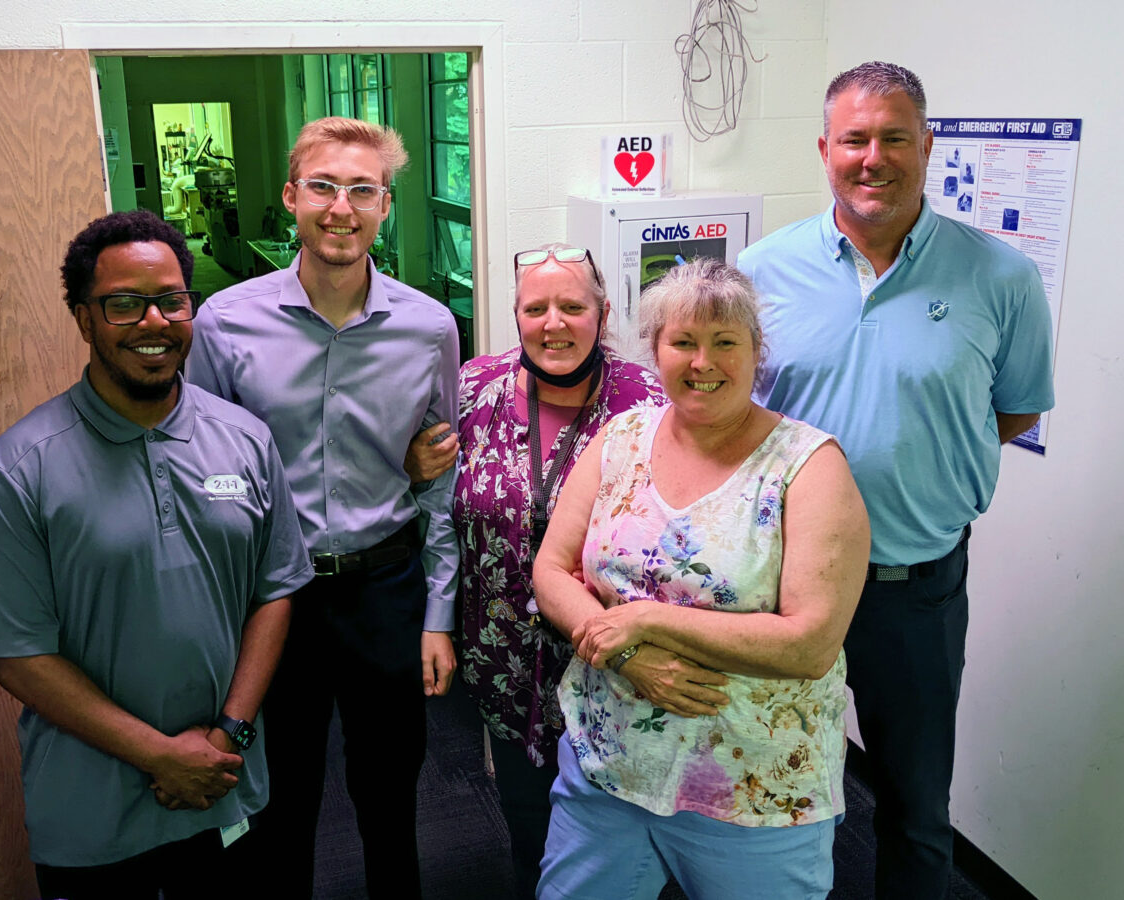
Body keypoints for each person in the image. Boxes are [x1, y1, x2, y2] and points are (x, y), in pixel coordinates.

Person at [736, 62, 1055, 899]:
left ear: (928, 146)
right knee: (764, 786)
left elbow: (1013, 411)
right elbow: (730, 412)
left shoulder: (1001, 277)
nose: (872, 157)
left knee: (915, 807)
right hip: (777, 585)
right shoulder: (761, 271)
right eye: (854, 139)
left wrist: (922, 453)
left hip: (913, 590)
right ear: (825, 149)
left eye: (894, 138)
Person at [0, 210, 314, 900]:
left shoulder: (244, 439)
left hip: (224, 785)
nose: (154, 322)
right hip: (95, 816)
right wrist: (161, 756)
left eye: (172, 300)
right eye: (124, 304)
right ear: (84, 319)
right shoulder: (21, 467)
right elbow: (16, 653)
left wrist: (229, 733)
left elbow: (274, 590)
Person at [532, 258, 870, 900]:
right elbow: (551, 569)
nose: (702, 361)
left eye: (724, 342)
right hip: (608, 767)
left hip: (751, 790)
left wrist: (648, 619)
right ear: (654, 351)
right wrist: (626, 652)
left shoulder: (809, 467)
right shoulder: (620, 439)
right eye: (683, 341)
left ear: (755, 350)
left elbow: (810, 643)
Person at [185, 116, 460, 899]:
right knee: (283, 801)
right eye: (324, 187)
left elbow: (438, 475)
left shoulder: (429, 327)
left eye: (363, 190)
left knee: (390, 799)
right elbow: (200, 469)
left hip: (385, 586)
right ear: (291, 197)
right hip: (277, 599)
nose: (342, 207)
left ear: (386, 205)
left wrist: (438, 613)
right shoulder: (226, 322)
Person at [408, 243, 664, 897]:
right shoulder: (472, 391)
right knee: (527, 823)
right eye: (536, 307)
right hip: (503, 661)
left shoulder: (649, 403)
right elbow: (432, 506)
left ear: (603, 314)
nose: (554, 322)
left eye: (573, 306)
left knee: (619, 833)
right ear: (516, 316)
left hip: (614, 666)